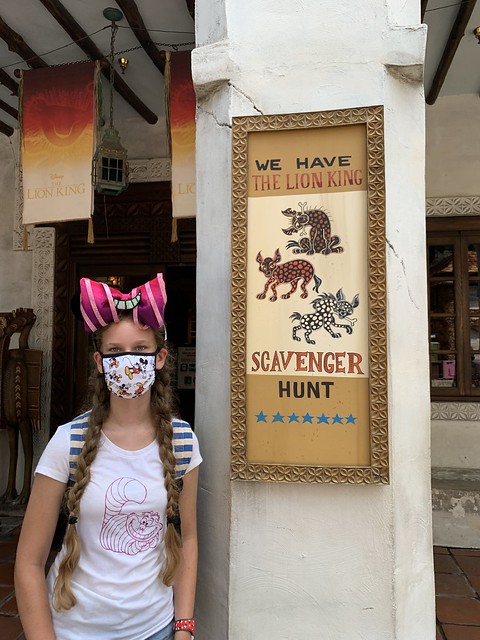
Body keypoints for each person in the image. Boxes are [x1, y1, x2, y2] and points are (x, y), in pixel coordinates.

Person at [15, 275, 201, 640]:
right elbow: (28, 562)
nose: (128, 361)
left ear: (160, 358)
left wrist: (183, 628)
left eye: (140, 349)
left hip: (155, 628)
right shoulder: (67, 442)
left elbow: (189, 539)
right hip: (74, 629)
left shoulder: (182, 441)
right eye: (115, 352)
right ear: (100, 363)